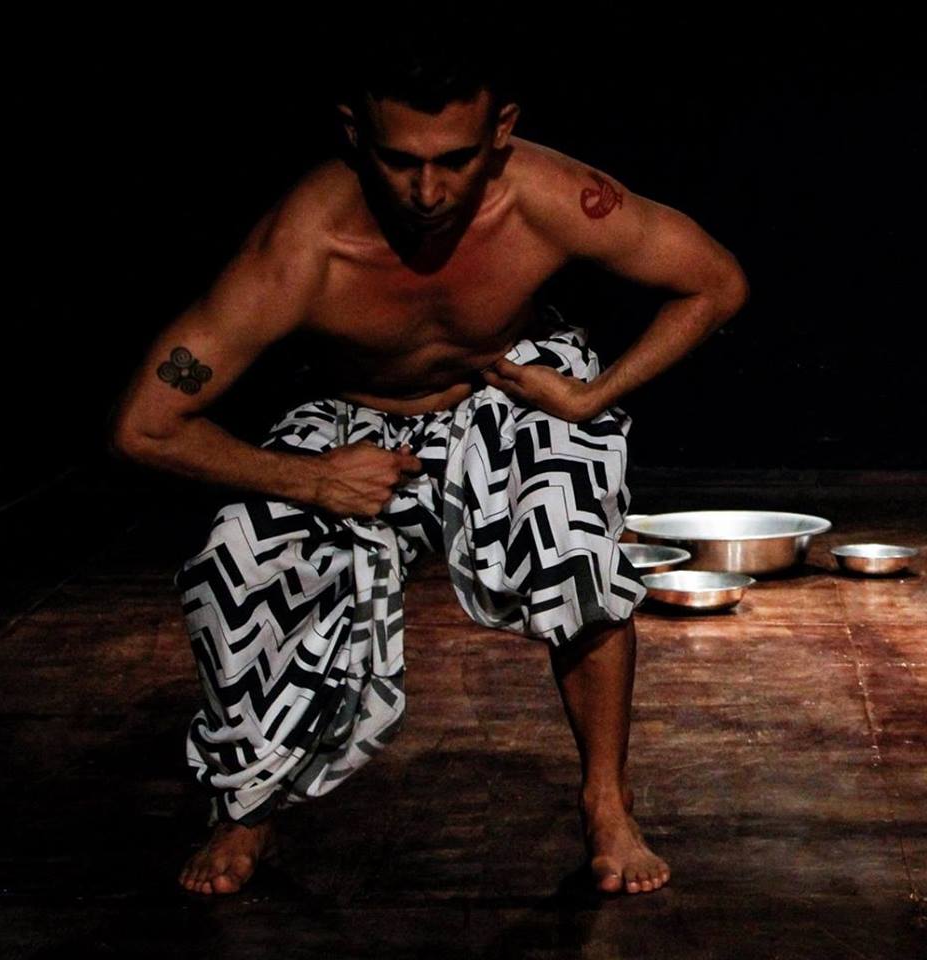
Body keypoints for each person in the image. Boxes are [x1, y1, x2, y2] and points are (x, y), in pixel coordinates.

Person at [110, 18, 747, 898]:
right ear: (353, 133)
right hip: (356, 417)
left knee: (572, 536)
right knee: (239, 558)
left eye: (454, 159)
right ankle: (245, 802)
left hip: (507, 385)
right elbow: (144, 425)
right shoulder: (302, 245)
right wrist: (314, 478)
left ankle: (607, 799)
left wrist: (590, 397)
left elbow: (716, 281)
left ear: (501, 129)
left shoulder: (550, 196)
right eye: (399, 160)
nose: (426, 190)